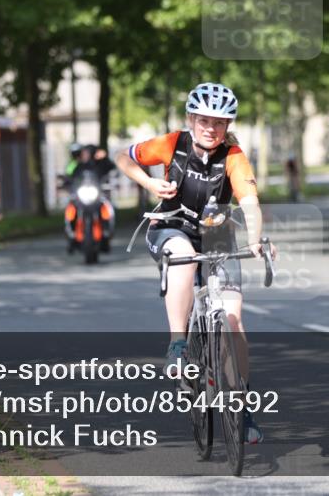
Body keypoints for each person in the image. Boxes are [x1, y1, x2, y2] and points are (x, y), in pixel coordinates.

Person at [115, 82, 277, 444]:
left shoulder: (234, 155)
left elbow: (249, 200)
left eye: (219, 122)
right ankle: (177, 343)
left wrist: (253, 239)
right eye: (204, 120)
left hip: (216, 230)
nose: (210, 128)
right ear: (191, 119)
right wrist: (148, 183)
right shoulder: (172, 144)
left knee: (233, 319)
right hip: (171, 225)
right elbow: (122, 157)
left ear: (228, 125)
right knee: (183, 261)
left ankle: (241, 402)